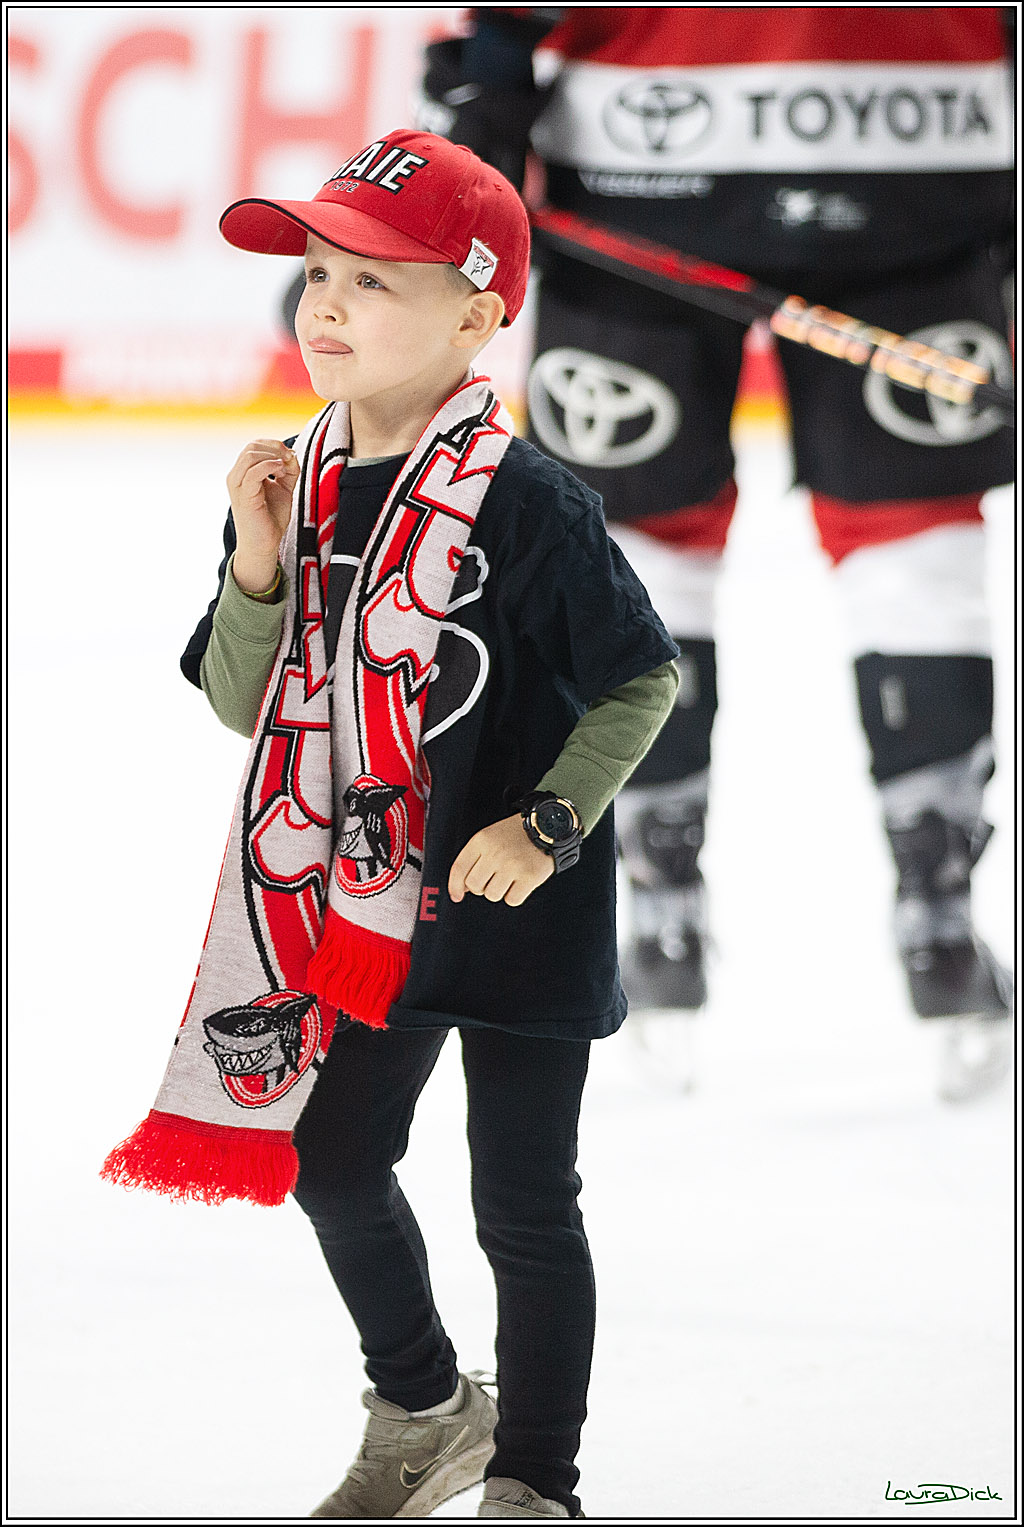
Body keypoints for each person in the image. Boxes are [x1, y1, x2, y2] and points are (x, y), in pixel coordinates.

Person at [108, 130, 680, 1520]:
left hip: (518, 913)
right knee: (334, 1156)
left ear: (480, 313)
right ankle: (425, 1403)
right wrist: (254, 559)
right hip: (368, 913)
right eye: (316, 274)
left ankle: (538, 1473)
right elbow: (243, 705)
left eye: (373, 279)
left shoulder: (532, 502)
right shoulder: (296, 484)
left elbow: (642, 673)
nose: (326, 306)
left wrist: (548, 823)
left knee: (523, 1203)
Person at [417, 7, 1016, 1096]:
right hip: (921, 161)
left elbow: (503, 25)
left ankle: (655, 918)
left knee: (641, 551)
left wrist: (486, 100)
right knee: (913, 549)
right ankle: (939, 922)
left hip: (647, 172)